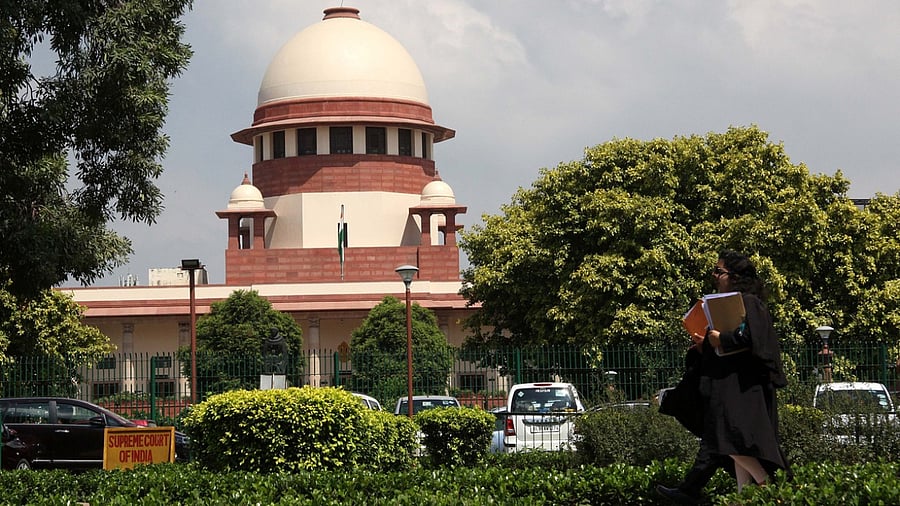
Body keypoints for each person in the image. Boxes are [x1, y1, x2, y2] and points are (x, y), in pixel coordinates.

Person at [657, 250, 790, 504]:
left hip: (744, 391)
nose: (714, 276)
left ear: (736, 277)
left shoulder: (749, 303)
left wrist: (721, 339)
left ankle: (768, 487)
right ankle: (746, 497)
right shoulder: (728, 304)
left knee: (729, 440)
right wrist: (704, 345)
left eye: (719, 271)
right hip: (731, 387)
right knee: (731, 442)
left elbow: (756, 342)